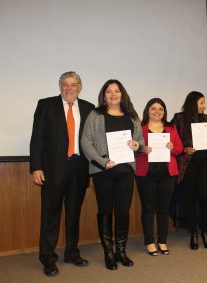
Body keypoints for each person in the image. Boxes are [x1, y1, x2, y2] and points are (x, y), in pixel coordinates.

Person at [30, 71, 95, 276]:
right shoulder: (46, 105)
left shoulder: (89, 108)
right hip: (52, 169)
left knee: (73, 215)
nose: (69, 88)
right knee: (50, 216)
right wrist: (36, 167)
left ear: (79, 87)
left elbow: (93, 139)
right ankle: (48, 258)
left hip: (79, 168)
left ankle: (72, 252)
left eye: (73, 84)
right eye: (65, 84)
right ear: (60, 86)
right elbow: (37, 138)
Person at [81, 79, 144, 270]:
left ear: (122, 94)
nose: (113, 94)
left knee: (123, 212)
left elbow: (140, 140)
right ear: (104, 95)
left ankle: (121, 251)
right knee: (106, 210)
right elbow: (86, 141)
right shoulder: (96, 115)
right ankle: (108, 252)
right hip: (103, 171)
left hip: (126, 171)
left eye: (117, 91)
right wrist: (102, 162)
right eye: (109, 92)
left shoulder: (132, 116)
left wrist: (137, 145)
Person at [135, 98, 184, 256]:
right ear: (147, 111)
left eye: (161, 109)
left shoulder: (171, 127)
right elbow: (133, 147)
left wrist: (172, 148)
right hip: (145, 174)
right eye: (153, 109)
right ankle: (149, 241)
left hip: (167, 175)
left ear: (164, 111)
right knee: (148, 208)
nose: (157, 112)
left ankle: (162, 241)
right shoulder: (139, 127)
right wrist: (142, 149)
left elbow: (179, 148)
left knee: (163, 209)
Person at [171, 91, 207, 250]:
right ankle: (193, 232)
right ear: (193, 103)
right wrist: (184, 149)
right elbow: (172, 140)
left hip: (204, 162)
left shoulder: (206, 118)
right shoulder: (179, 118)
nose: (204, 106)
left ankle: (205, 231)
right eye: (202, 102)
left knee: (205, 197)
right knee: (189, 198)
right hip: (187, 163)